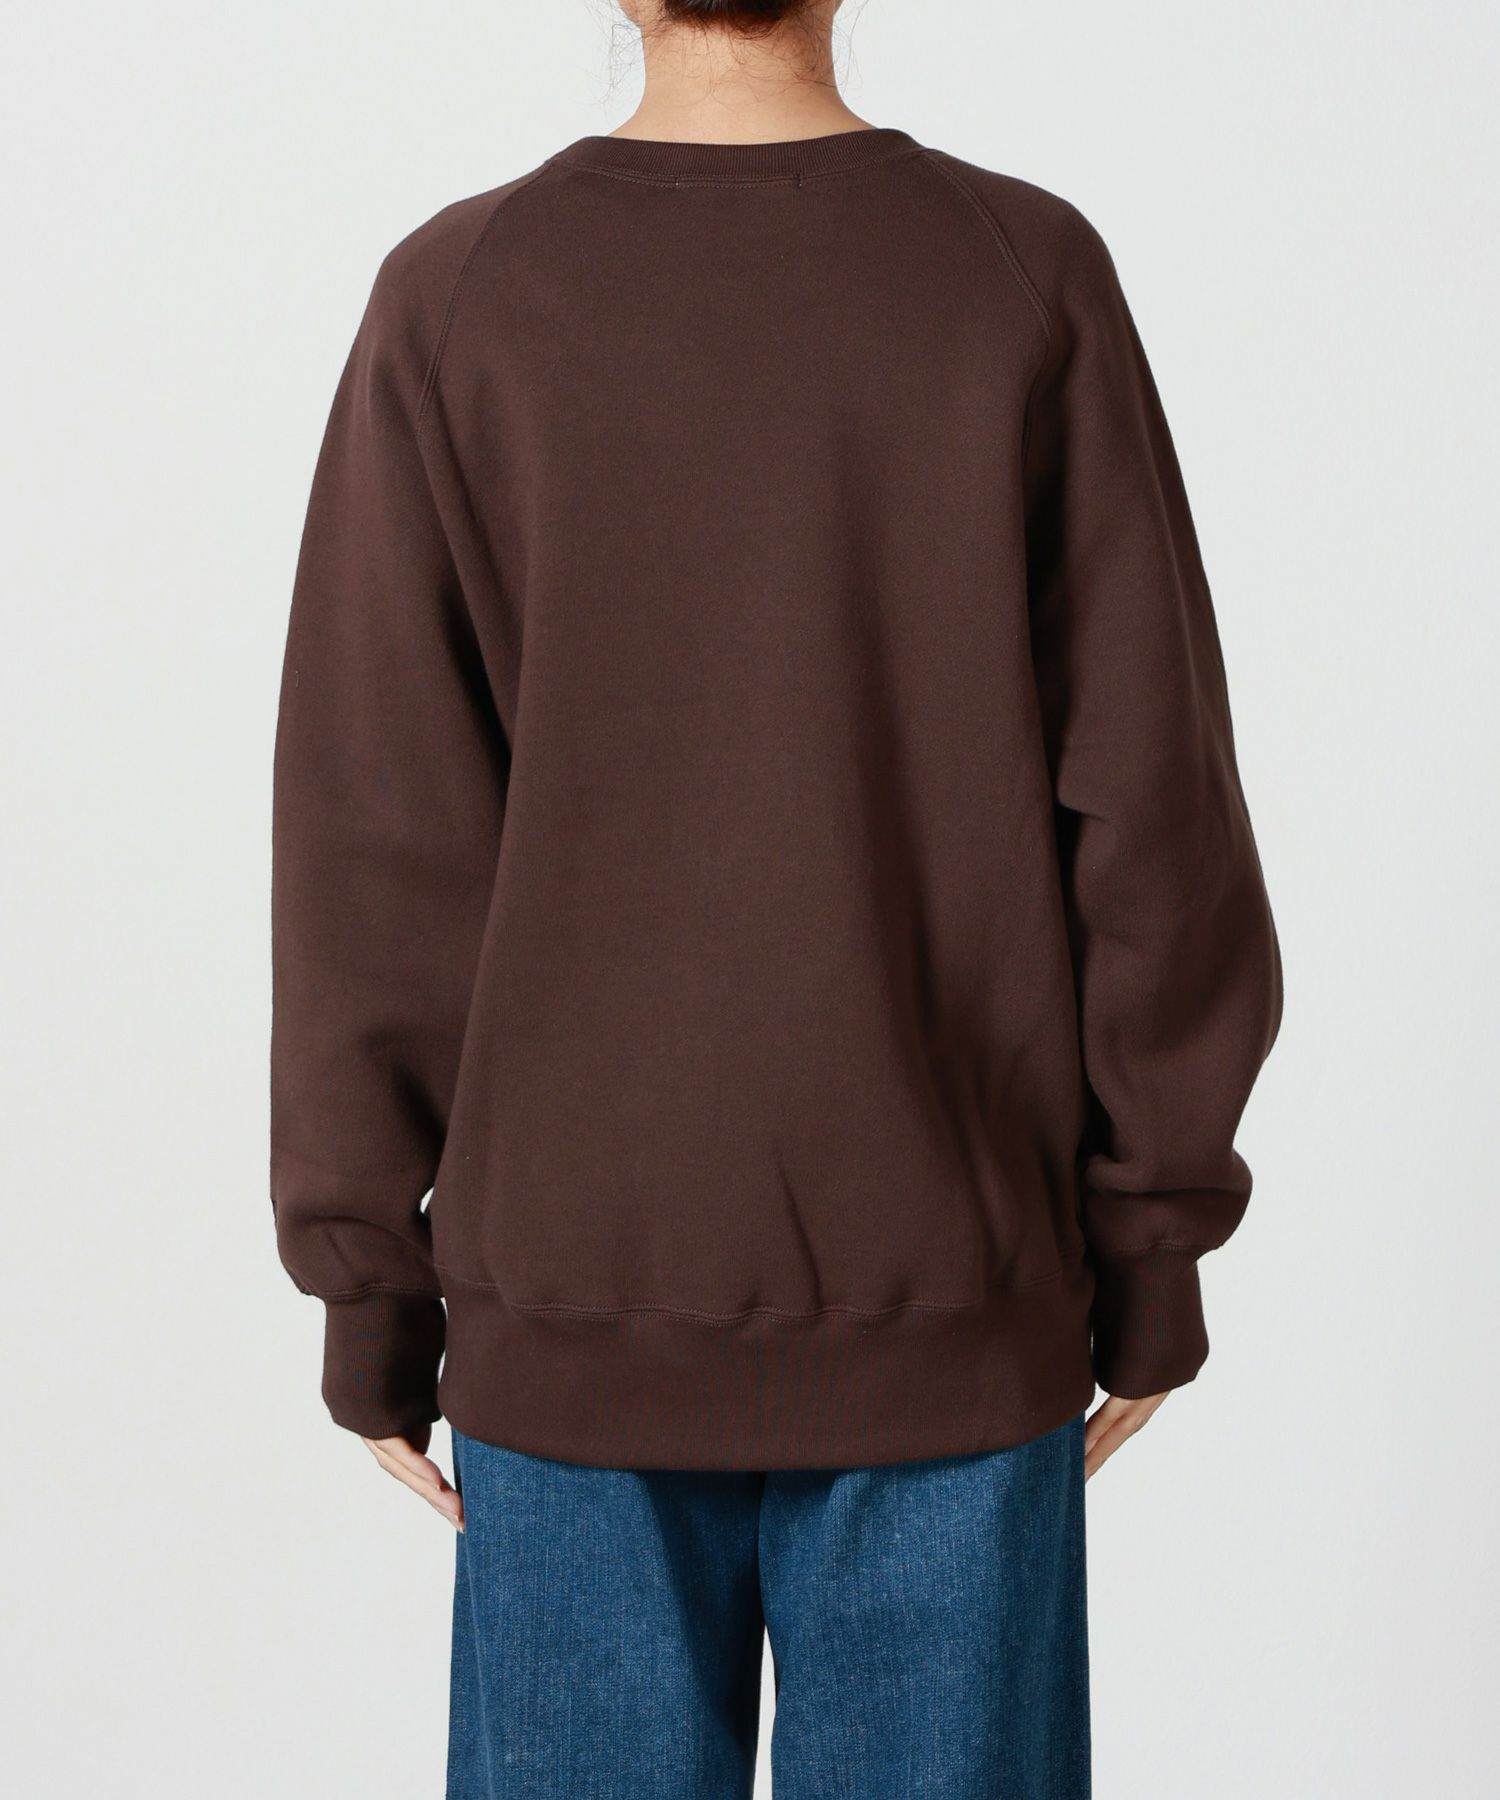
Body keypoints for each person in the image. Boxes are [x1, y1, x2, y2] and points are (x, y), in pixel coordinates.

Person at [270, 0, 1281, 1792]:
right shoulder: (1018, 276)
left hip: (572, 1300)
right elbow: (1155, 812)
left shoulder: (461, 297)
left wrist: (372, 1287)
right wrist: (1150, 1241)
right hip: (955, 1284)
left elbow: (379, 837)